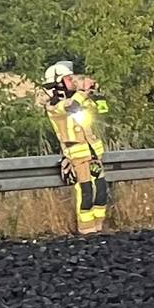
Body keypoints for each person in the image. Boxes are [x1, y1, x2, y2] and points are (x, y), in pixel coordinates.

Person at [42, 61, 111, 234]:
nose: (73, 81)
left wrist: (94, 92)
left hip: (94, 154)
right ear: (57, 82)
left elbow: (102, 110)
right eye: (68, 78)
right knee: (86, 193)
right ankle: (86, 230)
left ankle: (98, 228)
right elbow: (72, 106)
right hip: (77, 156)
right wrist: (82, 91)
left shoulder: (78, 99)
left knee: (101, 192)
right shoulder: (54, 105)